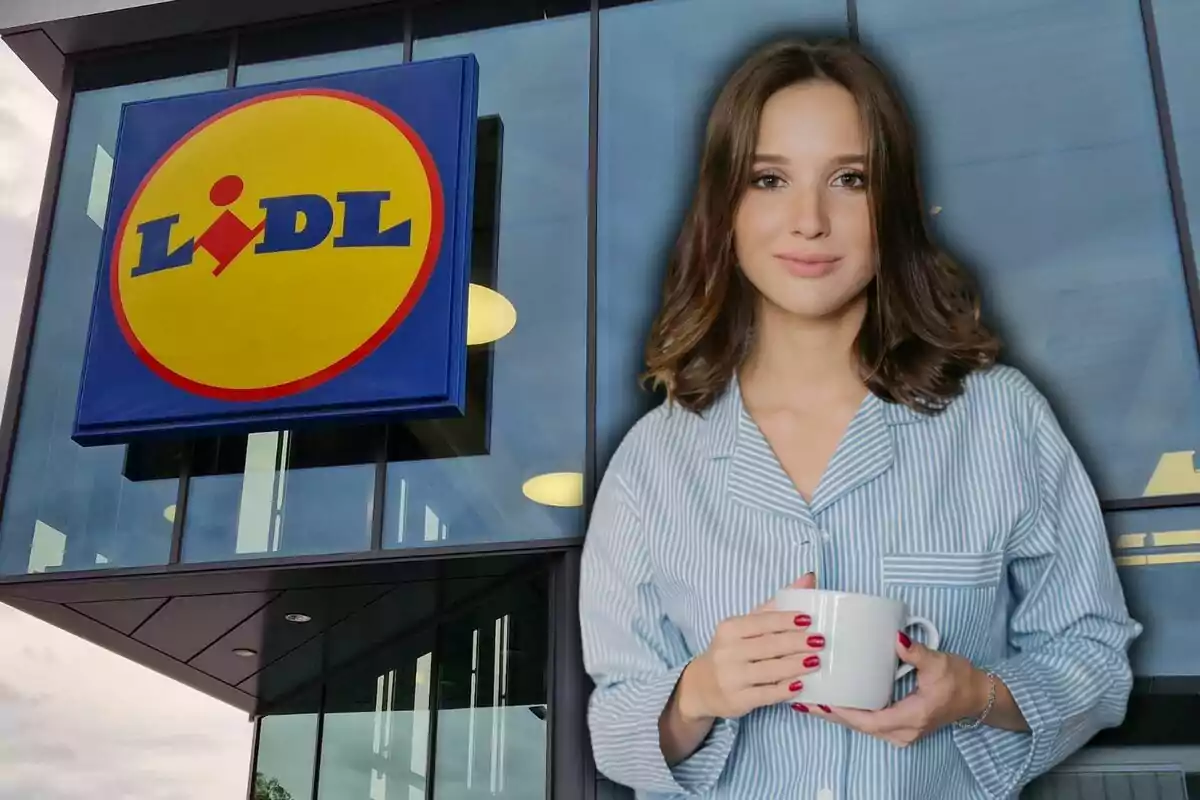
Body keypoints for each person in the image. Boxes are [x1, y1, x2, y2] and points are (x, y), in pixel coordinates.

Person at [578, 36, 1142, 800]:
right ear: (726, 210)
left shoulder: (1001, 420)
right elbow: (613, 724)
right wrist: (699, 693)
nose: (809, 220)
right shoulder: (652, 464)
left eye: (849, 179)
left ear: (896, 207)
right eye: (769, 179)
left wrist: (976, 696)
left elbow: (1094, 653)